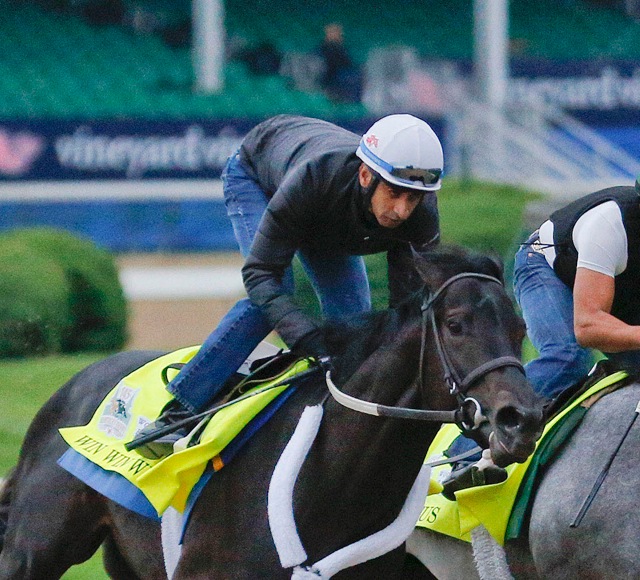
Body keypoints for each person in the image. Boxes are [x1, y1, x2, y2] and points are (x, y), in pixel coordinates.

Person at [440, 126, 640, 496]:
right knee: (568, 357)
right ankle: (464, 453)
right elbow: (588, 328)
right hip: (548, 269)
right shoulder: (609, 225)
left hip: (621, 295)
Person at [131, 113, 442, 453]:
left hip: (326, 210)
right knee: (270, 300)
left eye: (412, 199)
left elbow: (408, 308)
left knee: (353, 323)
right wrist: (304, 337)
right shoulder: (313, 179)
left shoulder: (421, 213)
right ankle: (177, 413)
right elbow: (260, 275)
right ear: (366, 175)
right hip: (257, 178)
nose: (401, 211)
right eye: (394, 193)